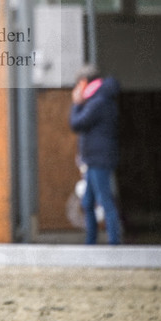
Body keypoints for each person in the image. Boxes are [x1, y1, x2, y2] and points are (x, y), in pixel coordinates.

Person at [69, 64, 122, 245]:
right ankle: (91, 242)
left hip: (99, 159)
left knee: (105, 200)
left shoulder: (98, 101)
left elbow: (77, 123)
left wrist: (76, 104)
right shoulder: (99, 99)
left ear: (84, 82)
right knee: (88, 202)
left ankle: (114, 242)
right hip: (94, 159)